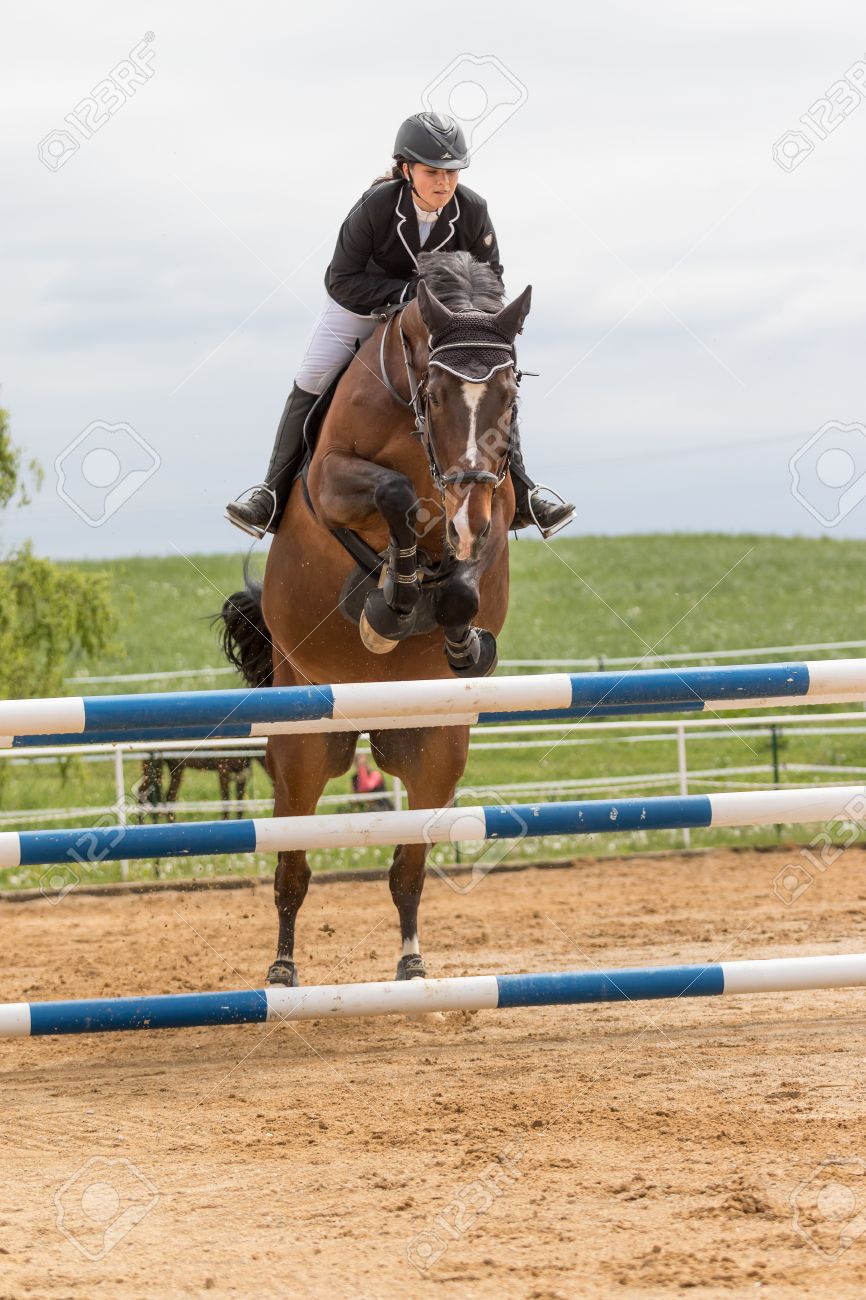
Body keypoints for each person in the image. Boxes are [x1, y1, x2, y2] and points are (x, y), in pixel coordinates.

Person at [225, 111, 576, 541]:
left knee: (490, 375)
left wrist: (463, 315)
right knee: (314, 374)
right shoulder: (376, 207)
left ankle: (523, 488)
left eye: (452, 173)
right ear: (407, 170)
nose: (444, 183)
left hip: (441, 318)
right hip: (362, 304)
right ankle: (271, 494)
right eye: (433, 172)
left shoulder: (473, 210)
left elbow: (493, 279)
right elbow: (341, 279)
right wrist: (408, 296)